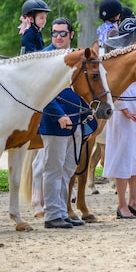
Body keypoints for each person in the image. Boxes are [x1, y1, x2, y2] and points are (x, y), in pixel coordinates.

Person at [38, 17, 97, 228]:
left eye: (63, 33)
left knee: (68, 169)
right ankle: (52, 214)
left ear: (71, 34)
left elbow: (85, 91)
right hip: (55, 122)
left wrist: (89, 123)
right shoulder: (45, 57)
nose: (58, 37)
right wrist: (58, 114)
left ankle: (62, 210)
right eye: (54, 33)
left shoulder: (78, 57)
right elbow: (43, 92)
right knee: (53, 169)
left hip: (77, 122)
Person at [103, 17, 136, 219]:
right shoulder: (117, 59)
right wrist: (124, 109)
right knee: (124, 156)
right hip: (123, 111)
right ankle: (122, 204)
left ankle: (135, 201)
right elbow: (111, 86)